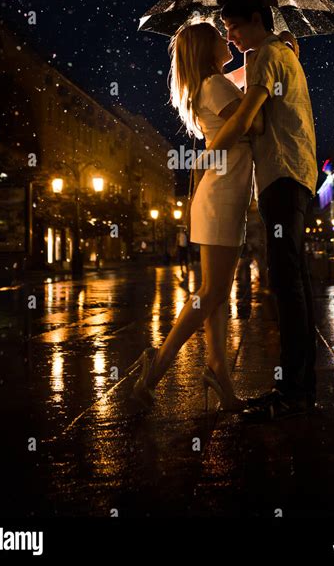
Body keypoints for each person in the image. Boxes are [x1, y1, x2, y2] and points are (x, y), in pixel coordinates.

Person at [124, 21, 265, 412]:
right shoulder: (216, 86)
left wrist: (251, 67)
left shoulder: (209, 84)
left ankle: (218, 371)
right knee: (212, 293)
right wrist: (265, 83)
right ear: (207, 48)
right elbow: (256, 122)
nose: (227, 39)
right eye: (219, 37)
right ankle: (156, 367)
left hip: (220, 194)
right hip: (221, 195)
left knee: (215, 293)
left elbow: (236, 90)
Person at [199, 0, 319, 420]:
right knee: (296, 280)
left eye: (232, 27)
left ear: (254, 19)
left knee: (286, 283)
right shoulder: (280, 54)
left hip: (280, 173)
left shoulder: (265, 55)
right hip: (297, 173)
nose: (229, 38)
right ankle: (301, 386)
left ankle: (293, 392)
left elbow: (249, 114)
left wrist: (207, 154)